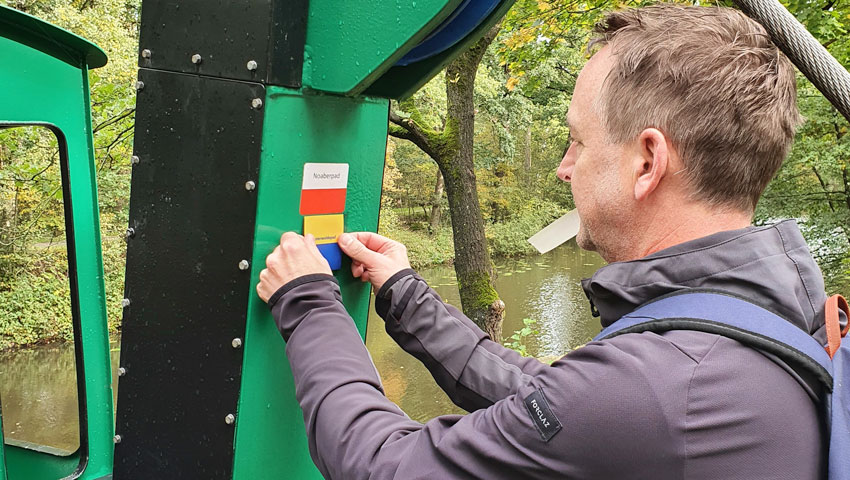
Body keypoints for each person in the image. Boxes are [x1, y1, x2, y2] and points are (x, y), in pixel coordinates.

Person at [256, 4, 829, 479]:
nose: (564, 167)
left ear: (648, 161)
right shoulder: (758, 318)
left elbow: (385, 467)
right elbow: (537, 393)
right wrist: (404, 293)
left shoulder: (658, 387)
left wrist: (307, 301)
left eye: (579, 141)